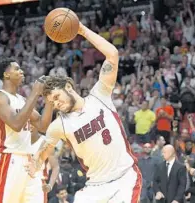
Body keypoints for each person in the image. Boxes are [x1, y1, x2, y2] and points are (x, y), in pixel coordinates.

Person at [29, 21, 142, 203]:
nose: (56, 103)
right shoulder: (59, 125)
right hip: (94, 187)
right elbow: (44, 151)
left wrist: (81, 29)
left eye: (57, 97)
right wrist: (35, 163)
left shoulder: (100, 94)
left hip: (123, 179)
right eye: (52, 102)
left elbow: (112, 54)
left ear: (68, 87)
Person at [0, 58, 54, 203]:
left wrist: (49, 99)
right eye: (17, 69)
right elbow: (16, 124)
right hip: (9, 158)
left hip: (29, 161)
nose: (21, 71)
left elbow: (42, 126)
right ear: (6, 75)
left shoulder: (23, 100)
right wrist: (35, 93)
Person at [30, 124, 60, 203]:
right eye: (27, 123)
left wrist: (50, 185)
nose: (29, 126)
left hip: (38, 182)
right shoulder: (20, 141)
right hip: (21, 180)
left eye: (32, 123)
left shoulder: (46, 142)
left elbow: (55, 167)